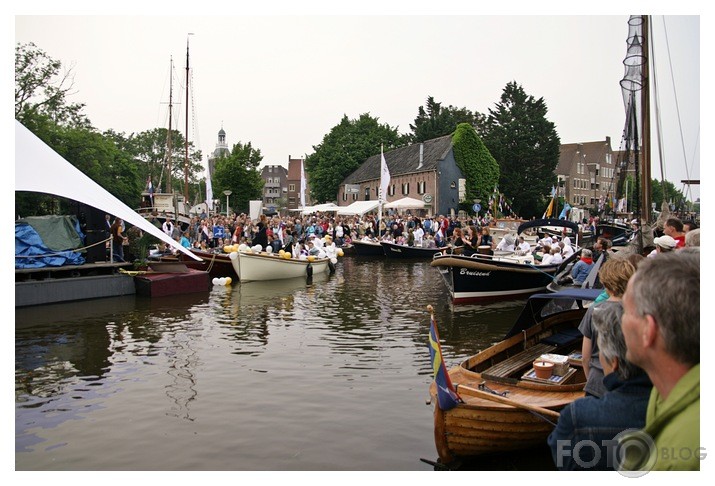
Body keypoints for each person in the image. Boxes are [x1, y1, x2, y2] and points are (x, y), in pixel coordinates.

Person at [618, 251, 700, 471]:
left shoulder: (681, 463)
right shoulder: (662, 393)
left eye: (625, 310)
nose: (620, 320)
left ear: (648, 330)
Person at [547, 303, 652, 470]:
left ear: (614, 362)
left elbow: (561, 458)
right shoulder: (667, 404)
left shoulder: (576, 416)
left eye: (601, 352)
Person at [579, 258, 637, 398]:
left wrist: (589, 379)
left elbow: (585, 357)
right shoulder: (636, 311)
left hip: (597, 381)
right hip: (629, 382)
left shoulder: (594, 310)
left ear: (605, 282)